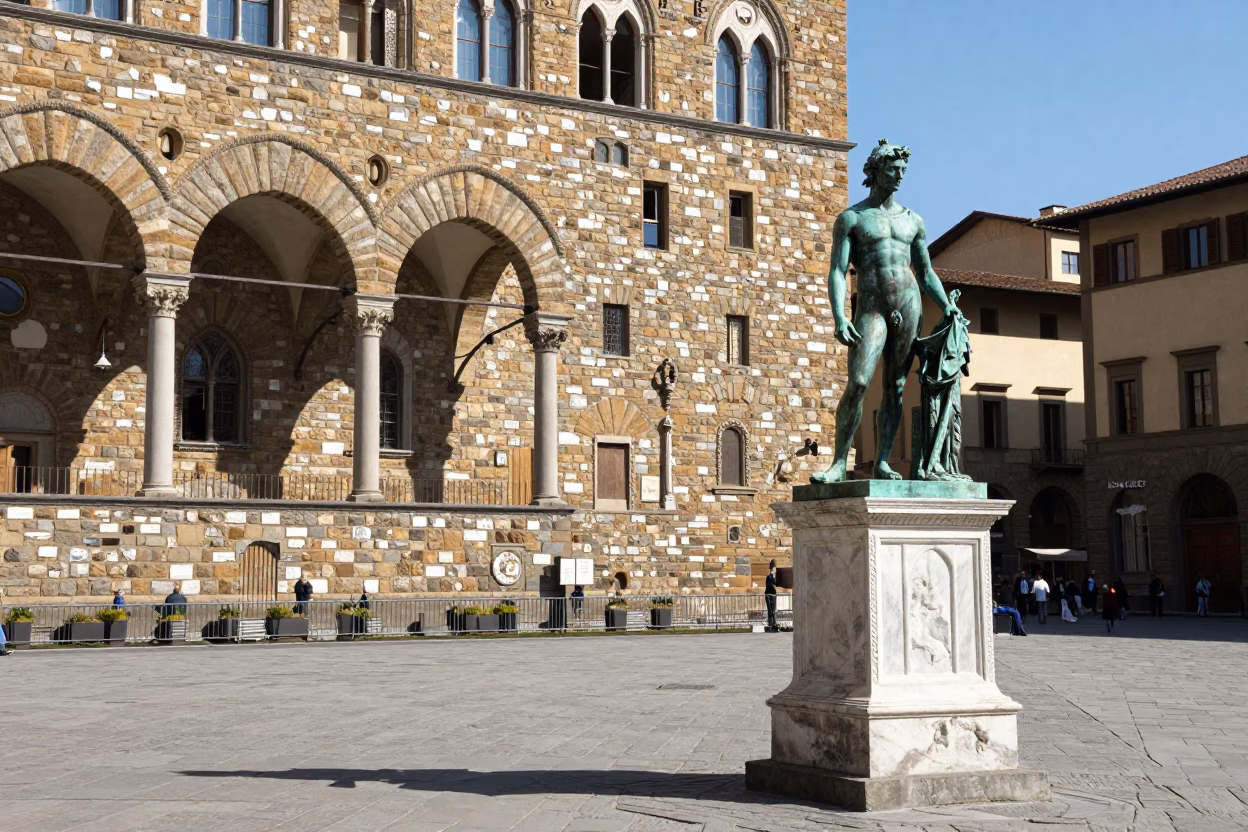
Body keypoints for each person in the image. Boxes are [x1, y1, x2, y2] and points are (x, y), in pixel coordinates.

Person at [810, 140, 962, 483]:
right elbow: (838, 270)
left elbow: (925, 272)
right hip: (872, 307)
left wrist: (947, 306)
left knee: (894, 386)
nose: (899, 176)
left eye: (903, 171)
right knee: (860, 381)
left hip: (908, 305)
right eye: (893, 170)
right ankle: (838, 464)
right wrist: (839, 316)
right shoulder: (852, 218)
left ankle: (882, 462)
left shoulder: (913, 221)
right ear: (875, 171)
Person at [765, 559, 779, 632]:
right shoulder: (769, 577)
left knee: (773, 610)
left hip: (773, 595)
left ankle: (773, 623)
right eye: (773, 568)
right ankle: (771, 623)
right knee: (770, 610)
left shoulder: (776, 577)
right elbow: (769, 585)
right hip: (768, 594)